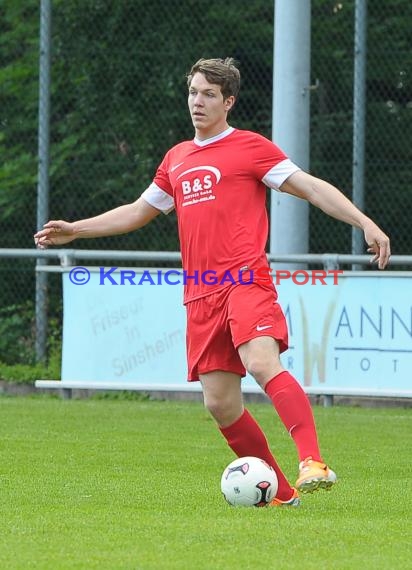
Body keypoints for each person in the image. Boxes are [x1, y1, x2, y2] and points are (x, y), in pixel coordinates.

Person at [34, 57, 391, 507]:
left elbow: (312, 187)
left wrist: (364, 222)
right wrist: (77, 229)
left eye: (208, 94)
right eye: (193, 92)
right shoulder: (177, 159)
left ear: (229, 102)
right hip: (199, 294)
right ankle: (281, 495)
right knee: (220, 404)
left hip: (245, 280)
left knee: (262, 363)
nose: (197, 102)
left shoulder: (249, 148)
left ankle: (313, 461)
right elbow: (138, 212)